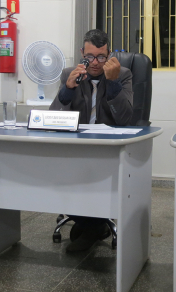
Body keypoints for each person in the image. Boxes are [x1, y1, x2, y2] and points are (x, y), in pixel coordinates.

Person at [50, 29, 133, 252]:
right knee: (60, 175)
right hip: (77, 148)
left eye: (101, 57)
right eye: (90, 57)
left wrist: (113, 82)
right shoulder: (70, 73)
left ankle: (91, 227)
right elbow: (54, 118)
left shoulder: (123, 74)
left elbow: (124, 119)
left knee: (93, 176)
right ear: (82, 53)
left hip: (109, 150)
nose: (95, 63)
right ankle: (93, 225)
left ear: (109, 55)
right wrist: (67, 90)